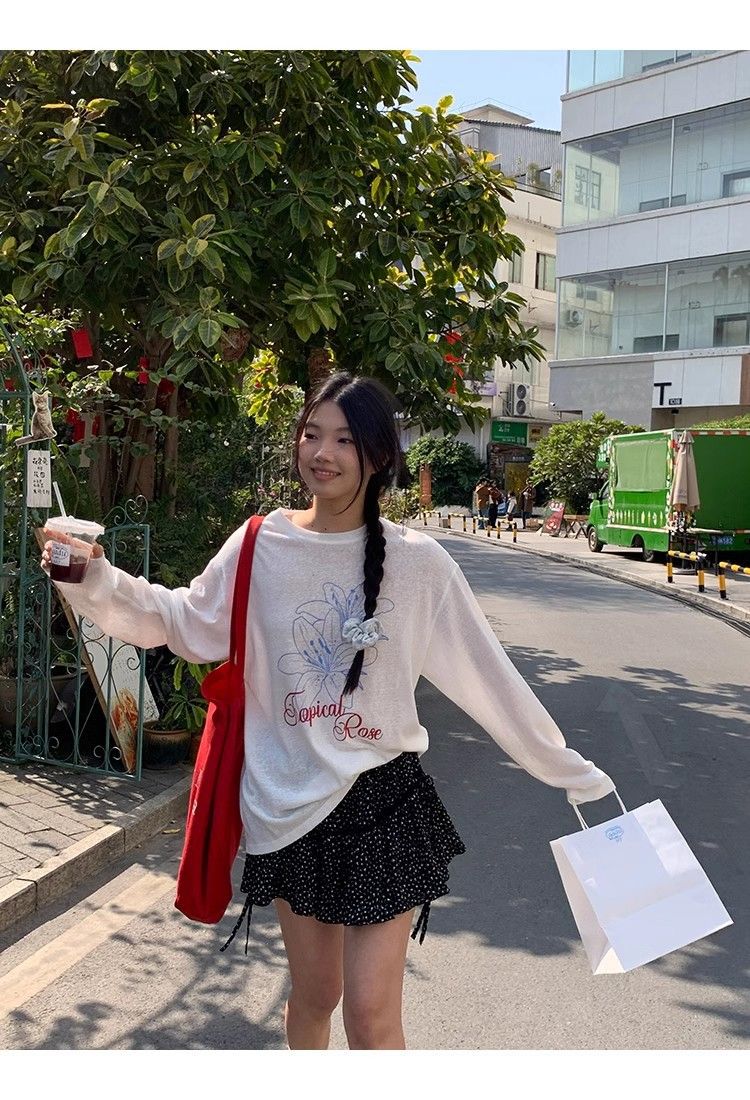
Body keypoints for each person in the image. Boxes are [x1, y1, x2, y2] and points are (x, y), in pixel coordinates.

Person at [40, 373, 614, 1051]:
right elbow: (184, 621)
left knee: (371, 1016)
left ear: (379, 455)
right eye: (312, 434)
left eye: (344, 439)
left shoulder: (419, 564)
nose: (323, 452)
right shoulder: (259, 544)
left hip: (383, 801)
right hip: (288, 801)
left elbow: (488, 675)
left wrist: (569, 770)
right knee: (316, 996)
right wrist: (94, 577)